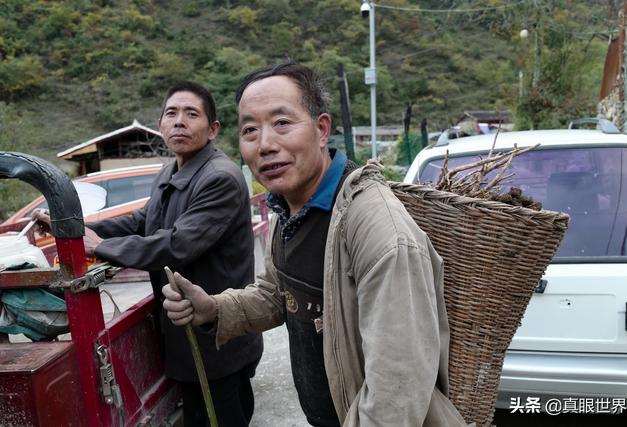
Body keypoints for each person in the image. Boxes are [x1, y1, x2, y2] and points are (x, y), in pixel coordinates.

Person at [162, 64, 469, 426]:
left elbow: (396, 394)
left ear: (322, 130)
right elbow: (279, 294)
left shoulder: (380, 232)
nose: (265, 145)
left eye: (282, 123)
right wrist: (214, 309)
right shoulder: (292, 209)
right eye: (250, 130)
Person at [35, 81, 262, 427]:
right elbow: (144, 221)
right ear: (160, 126)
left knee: (221, 416)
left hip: (216, 337)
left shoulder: (220, 177)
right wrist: (74, 229)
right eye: (171, 113)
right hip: (188, 337)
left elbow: (177, 244)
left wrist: (103, 247)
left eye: (191, 114)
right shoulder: (170, 171)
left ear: (213, 129)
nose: (179, 121)